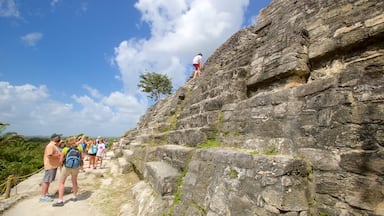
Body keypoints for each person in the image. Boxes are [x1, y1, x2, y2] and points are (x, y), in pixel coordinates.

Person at [52, 135, 84, 207]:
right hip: (75, 167)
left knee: (61, 183)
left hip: (66, 167)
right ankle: (74, 196)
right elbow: (82, 158)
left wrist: (61, 167)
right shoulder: (79, 148)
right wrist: (81, 166)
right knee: (74, 182)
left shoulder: (65, 149)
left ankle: (60, 200)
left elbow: (60, 160)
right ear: (75, 141)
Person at [39, 133, 62, 202]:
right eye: (58, 137)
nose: (59, 138)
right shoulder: (50, 146)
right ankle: (43, 196)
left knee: (48, 180)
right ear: (54, 138)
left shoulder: (54, 145)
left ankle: (45, 193)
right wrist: (58, 155)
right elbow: (49, 155)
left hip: (53, 165)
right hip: (50, 165)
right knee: (46, 180)